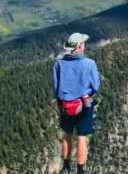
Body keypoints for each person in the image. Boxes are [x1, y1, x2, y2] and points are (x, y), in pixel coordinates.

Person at [53, 33, 100, 174]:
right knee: (81, 137)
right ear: (79, 46)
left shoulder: (58, 64)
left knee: (67, 134)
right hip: (83, 105)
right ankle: (80, 170)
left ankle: (66, 167)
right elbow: (95, 87)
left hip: (65, 106)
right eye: (83, 43)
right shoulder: (89, 64)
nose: (84, 45)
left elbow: (55, 88)